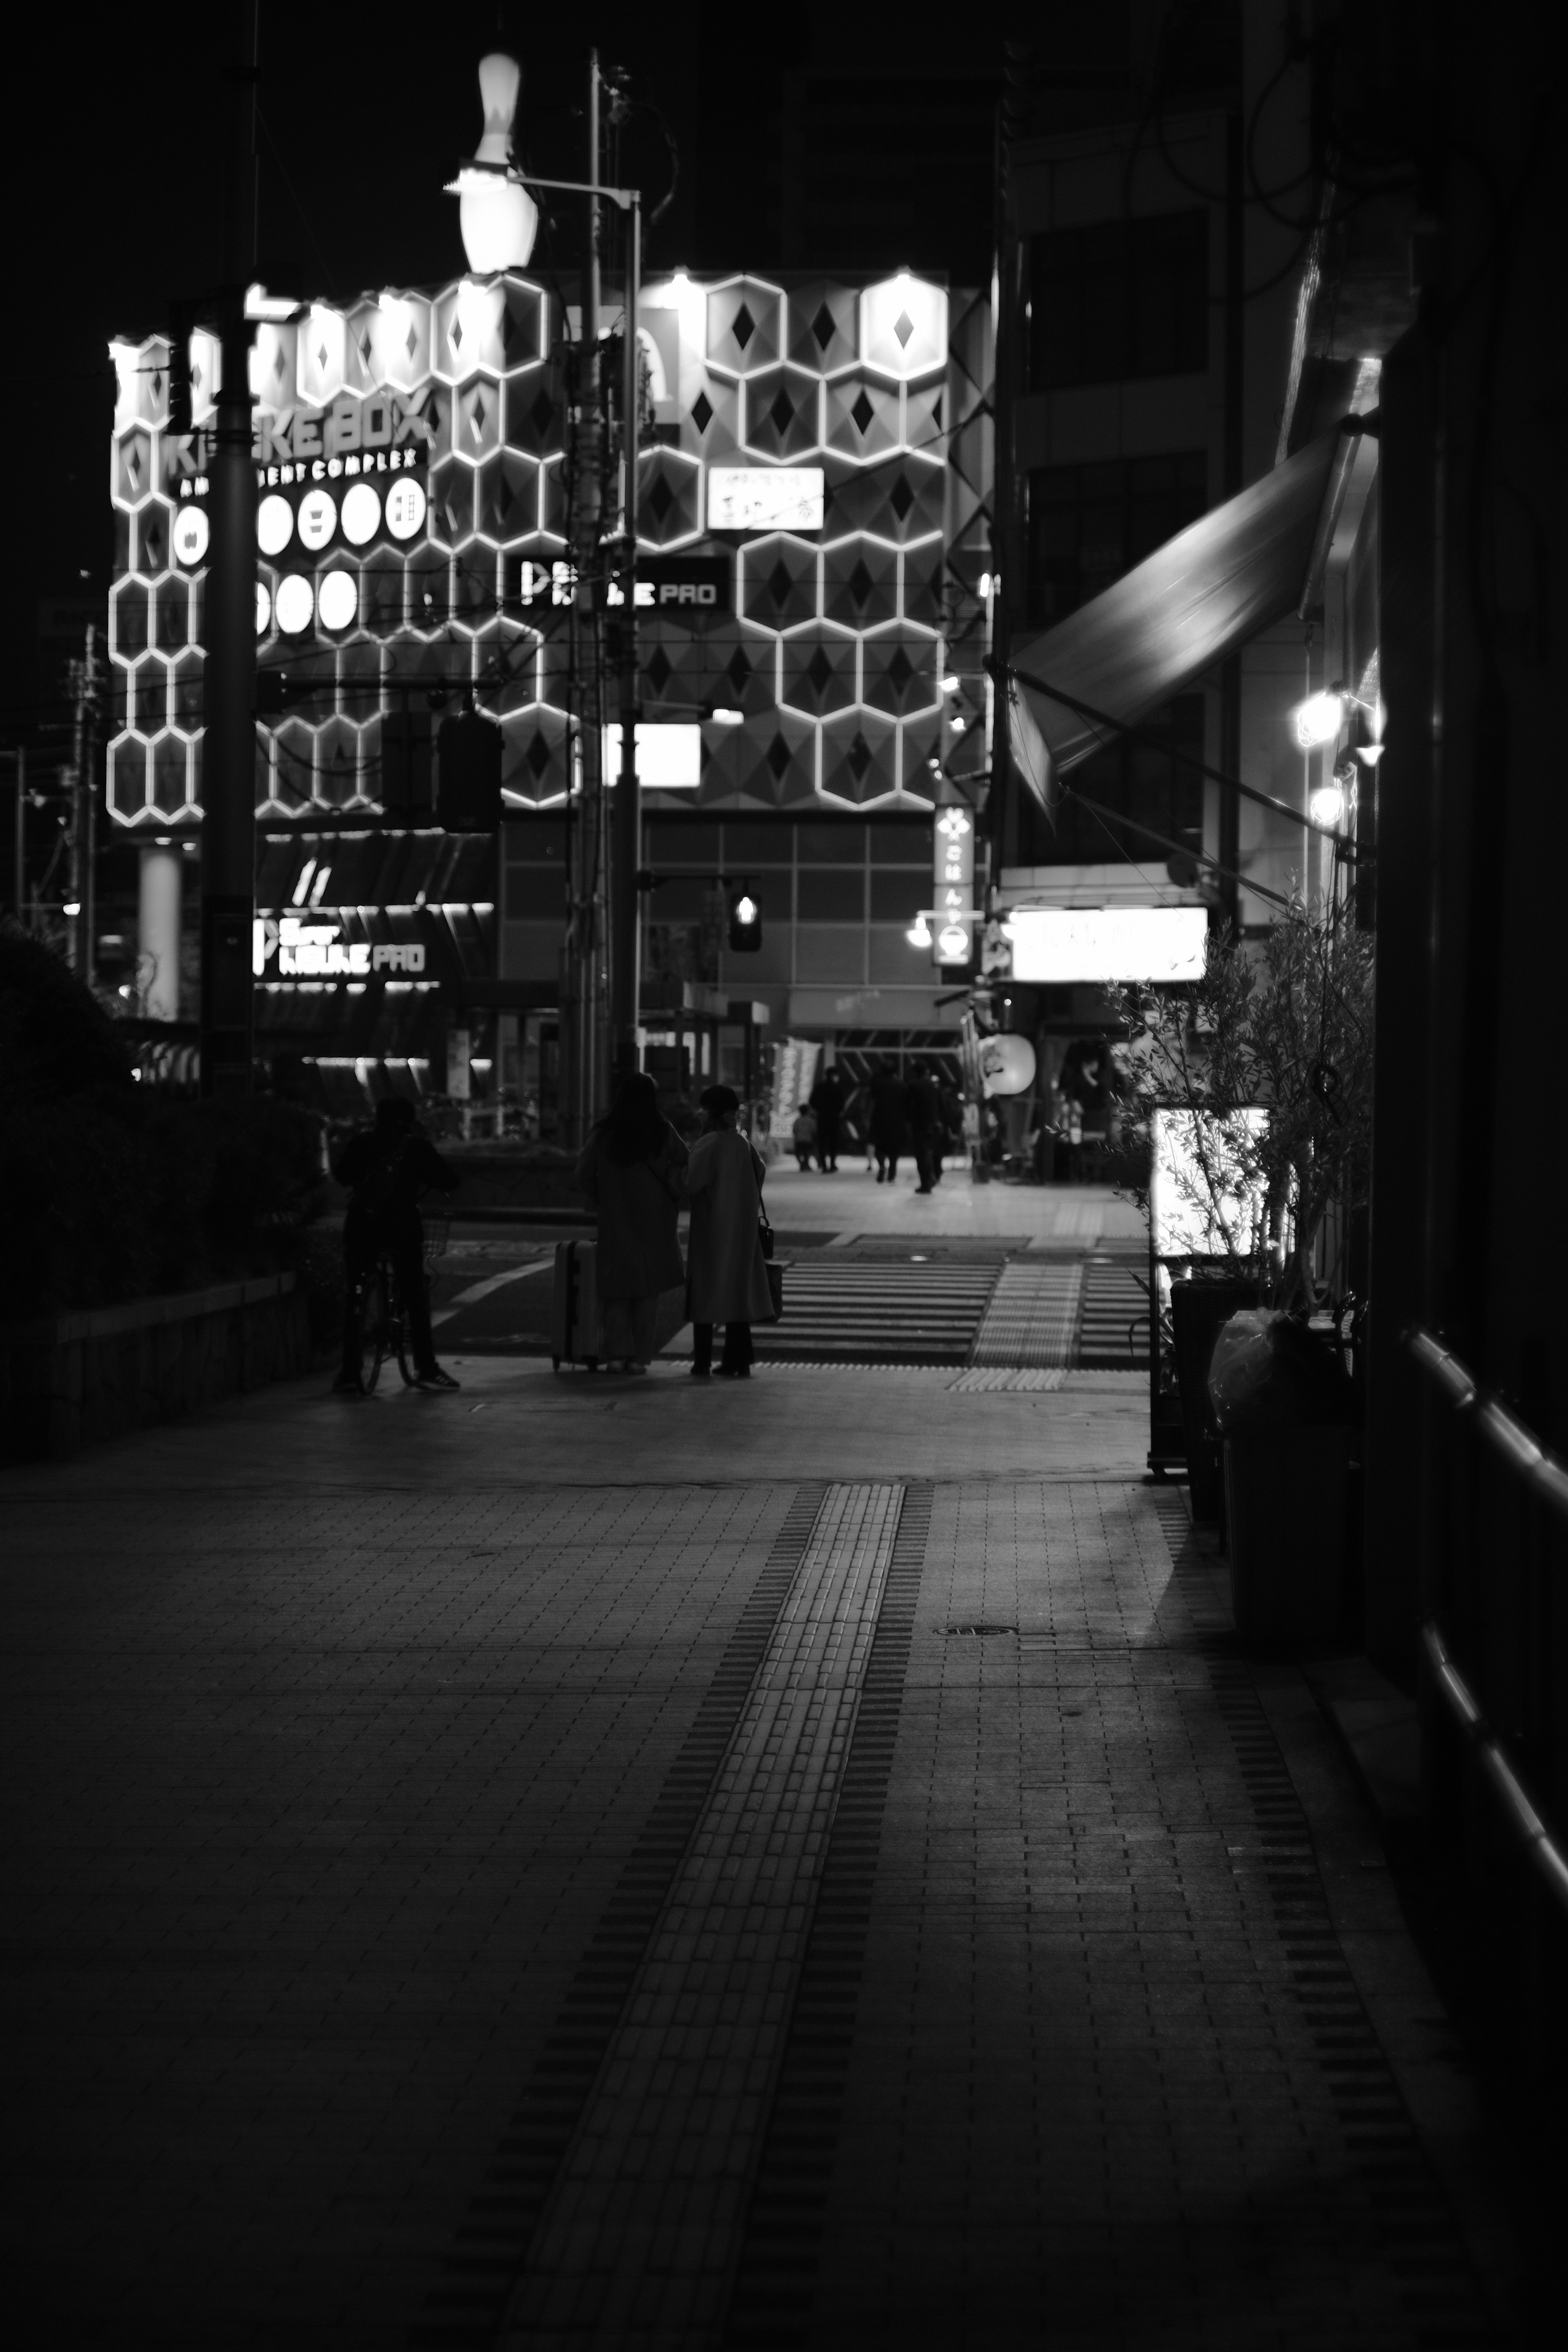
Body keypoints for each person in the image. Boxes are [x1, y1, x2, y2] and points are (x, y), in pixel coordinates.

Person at [334, 1094, 461, 1393]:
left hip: (362, 1229)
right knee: (415, 1296)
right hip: (400, 1231)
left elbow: (341, 1176)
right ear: (409, 1121)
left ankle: (350, 1373)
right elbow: (449, 1180)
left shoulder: (361, 1143)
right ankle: (426, 1368)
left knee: (355, 1299)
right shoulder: (415, 1147)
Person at [574, 1072, 689, 1370]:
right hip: (656, 1219)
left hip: (616, 1218)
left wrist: (602, 1198)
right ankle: (639, 1358)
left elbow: (583, 1174)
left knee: (617, 1288)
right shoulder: (661, 1130)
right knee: (647, 1291)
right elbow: (685, 1161)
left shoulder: (604, 1132)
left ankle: (615, 1354)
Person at [684, 1084, 777, 1377]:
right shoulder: (742, 1144)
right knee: (739, 1292)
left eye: (704, 1107)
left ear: (713, 1112)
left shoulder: (708, 1144)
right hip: (743, 1228)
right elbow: (759, 1173)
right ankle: (738, 1360)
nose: (699, 1112)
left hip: (712, 1229)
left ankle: (702, 1361)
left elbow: (689, 1183)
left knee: (705, 1293)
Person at [868, 1061, 908, 1184]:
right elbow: (906, 1103)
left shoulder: (877, 1084)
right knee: (894, 1148)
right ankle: (892, 1173)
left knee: (880, 1145)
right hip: (897, 1119)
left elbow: (872, 1100)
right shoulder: (901, 1085)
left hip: (880, 1117)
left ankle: (881, 1167)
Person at [905, 1060, 942, 1194]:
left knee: (922, 1154)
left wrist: (909, 1121)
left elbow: (910, 1107)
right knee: (929, 1152)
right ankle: (932, 1177)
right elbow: (939, 1104)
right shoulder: (933, 1085)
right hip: (932, 1124)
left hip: (919, 1124)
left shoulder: (914, 1086)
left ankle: (926, 1182)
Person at [808, 1063, 845, 1172]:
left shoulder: (820, 1087)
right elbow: (842, 1104)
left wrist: (820, 1109)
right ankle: (833, 1164)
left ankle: (824, 1165)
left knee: (822, 1142)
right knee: (834, 1142)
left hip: (822, 1117)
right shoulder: (837, 1089)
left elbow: (812, 1101)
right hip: (834, 1118)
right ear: (834, 1075)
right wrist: (837, 1111)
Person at [790, 1101, 819, 1172]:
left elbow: (794, 1130)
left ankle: (803, 1164)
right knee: (807, 1154)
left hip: (799, 1140)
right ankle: (806, 1164)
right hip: (808, 1140)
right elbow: (814, 1131)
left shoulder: (798, 1121)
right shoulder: (811, 1121)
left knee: (798, 1153)